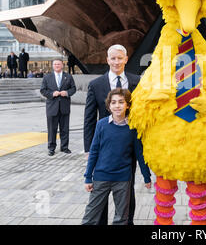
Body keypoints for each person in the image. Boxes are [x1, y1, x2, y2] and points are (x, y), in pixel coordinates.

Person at [83, 44, 140, 225]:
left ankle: (126, 221)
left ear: (126, 59)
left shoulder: (137, 81)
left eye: (120, 58)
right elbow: (89, 118)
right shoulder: (96, 84)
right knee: (100, 189)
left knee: (127, 188)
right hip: (103, 147)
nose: (116, 62)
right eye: (113, 58)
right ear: (107, 60)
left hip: (127, 146)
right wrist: (88, 149)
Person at [82, 88, 152, 225]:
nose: (117, 105)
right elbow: (94, 151)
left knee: (121, 218)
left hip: (123, 179)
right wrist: (88, 176)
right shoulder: (101, 124)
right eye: (113, 102)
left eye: (121, 102)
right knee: (90, 217)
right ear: (109, 106)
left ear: (128, 105)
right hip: (101, 177)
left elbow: (139, 154)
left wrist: (146, 176)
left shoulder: (133, 127)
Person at [40, 59, 76, 156]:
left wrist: (67, 93)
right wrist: (52, 94)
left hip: (64, 107)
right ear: (52, 66)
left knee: (65, 128)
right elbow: (42, 90)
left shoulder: (68, 76)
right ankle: (51, 148)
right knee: (52, 129)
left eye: (58, 64)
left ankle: (64, 147)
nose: (57, 65)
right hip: (52, 107)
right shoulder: (47, 77)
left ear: (62, 65)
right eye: (55, 64)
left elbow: (73, 88)